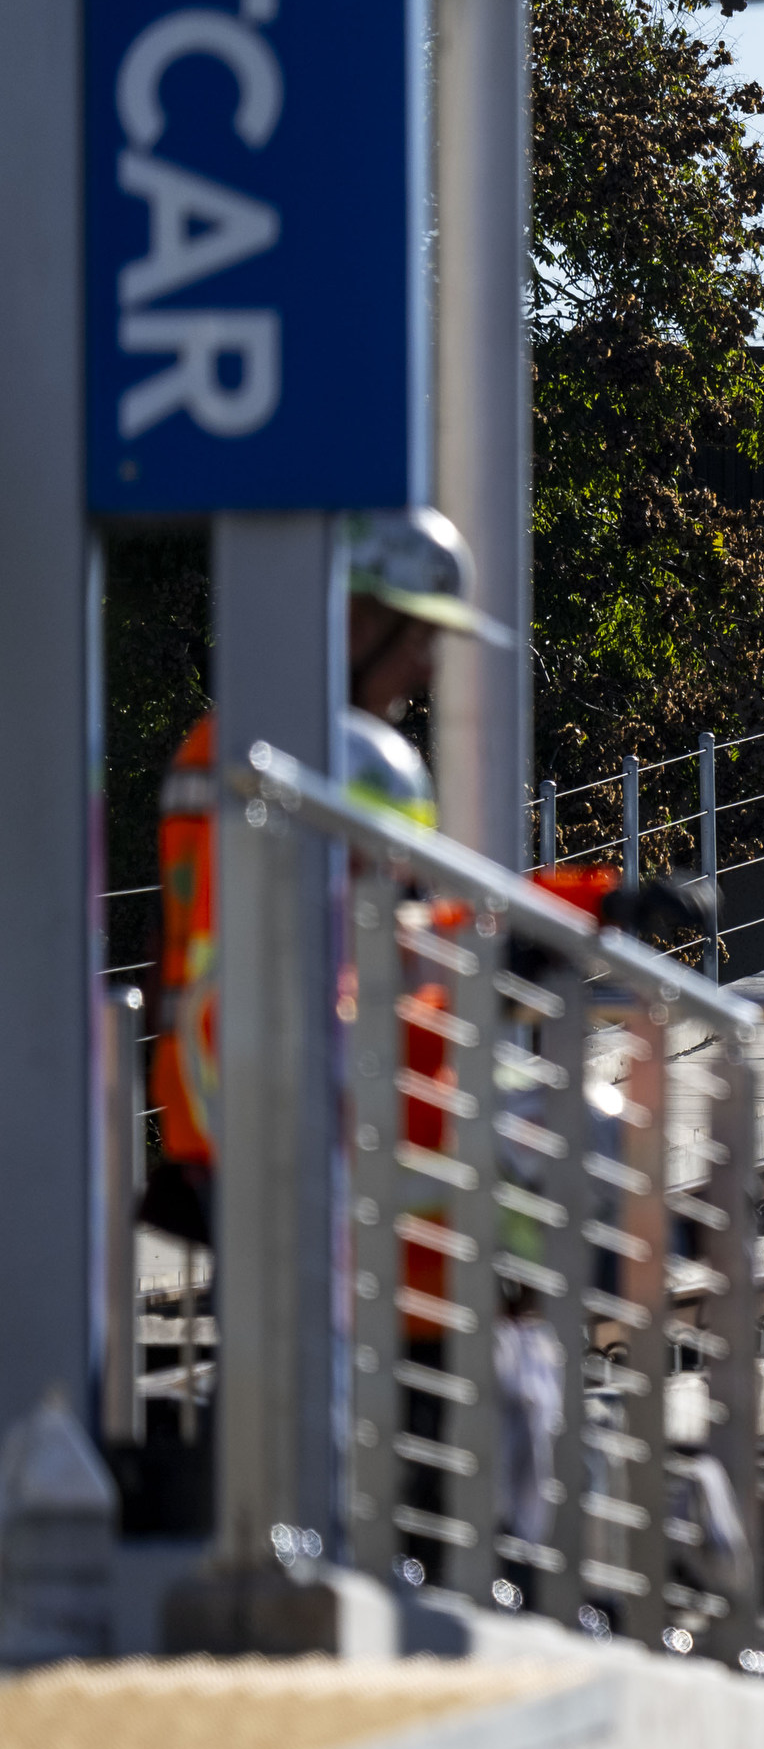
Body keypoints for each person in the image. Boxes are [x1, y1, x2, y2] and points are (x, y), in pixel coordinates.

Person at [145, 508, 506, 1245]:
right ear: (355, 621)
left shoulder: (248, 743)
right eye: (418, 637)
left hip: (241, 1106)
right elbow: (358, 939)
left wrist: (592, 904)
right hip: (279, 1109)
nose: (427, 667)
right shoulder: (305, 762)